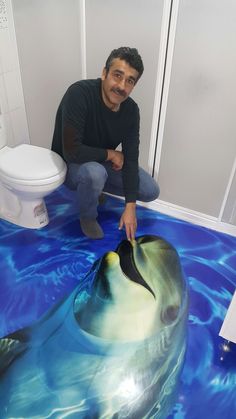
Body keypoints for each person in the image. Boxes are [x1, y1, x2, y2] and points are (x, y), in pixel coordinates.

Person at [52, 47, 159, 240]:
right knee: (94, 173)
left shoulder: (131, 111)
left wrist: (130, 206)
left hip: (98, 161)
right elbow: (71, 151)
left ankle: (92, 190)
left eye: (130, 81)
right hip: (71, 163)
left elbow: (131, 159)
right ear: (104, 73)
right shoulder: (79, 93)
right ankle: (87, 217)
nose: (121, 86)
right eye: (117, 75)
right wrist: (111, 154)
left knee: (150, 190)